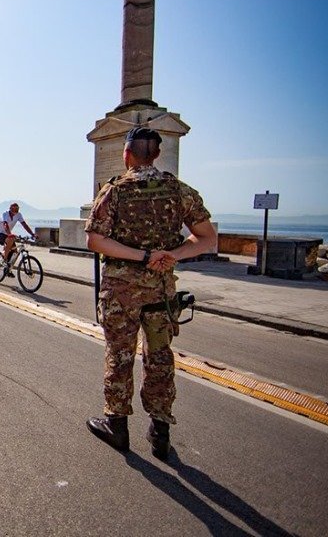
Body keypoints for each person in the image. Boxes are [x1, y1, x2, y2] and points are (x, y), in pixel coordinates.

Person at [84, 127, 216, 459]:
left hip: (121, 293)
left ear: (127, 155)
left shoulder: (114, 192)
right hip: (160, 291)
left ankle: (117, 426)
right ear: (156, 155)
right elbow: (207, 238)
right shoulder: (178, 191)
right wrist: (171, 255)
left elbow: (96, 241)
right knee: (159, 357)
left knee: (120, 354)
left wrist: (141, 256)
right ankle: (160, 432)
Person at [0, 203, 35, 277]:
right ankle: (4, 261)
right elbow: (5, 225)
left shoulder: (18, 215)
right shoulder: (5, 214)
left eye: (17, 209)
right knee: (11, 239)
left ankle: (8, 270)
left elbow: (24, 225)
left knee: (15, 252)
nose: (16, 211)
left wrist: (32, 234)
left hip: (7, 234)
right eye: (14, 209)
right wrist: (10, 234)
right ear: (10, 209)